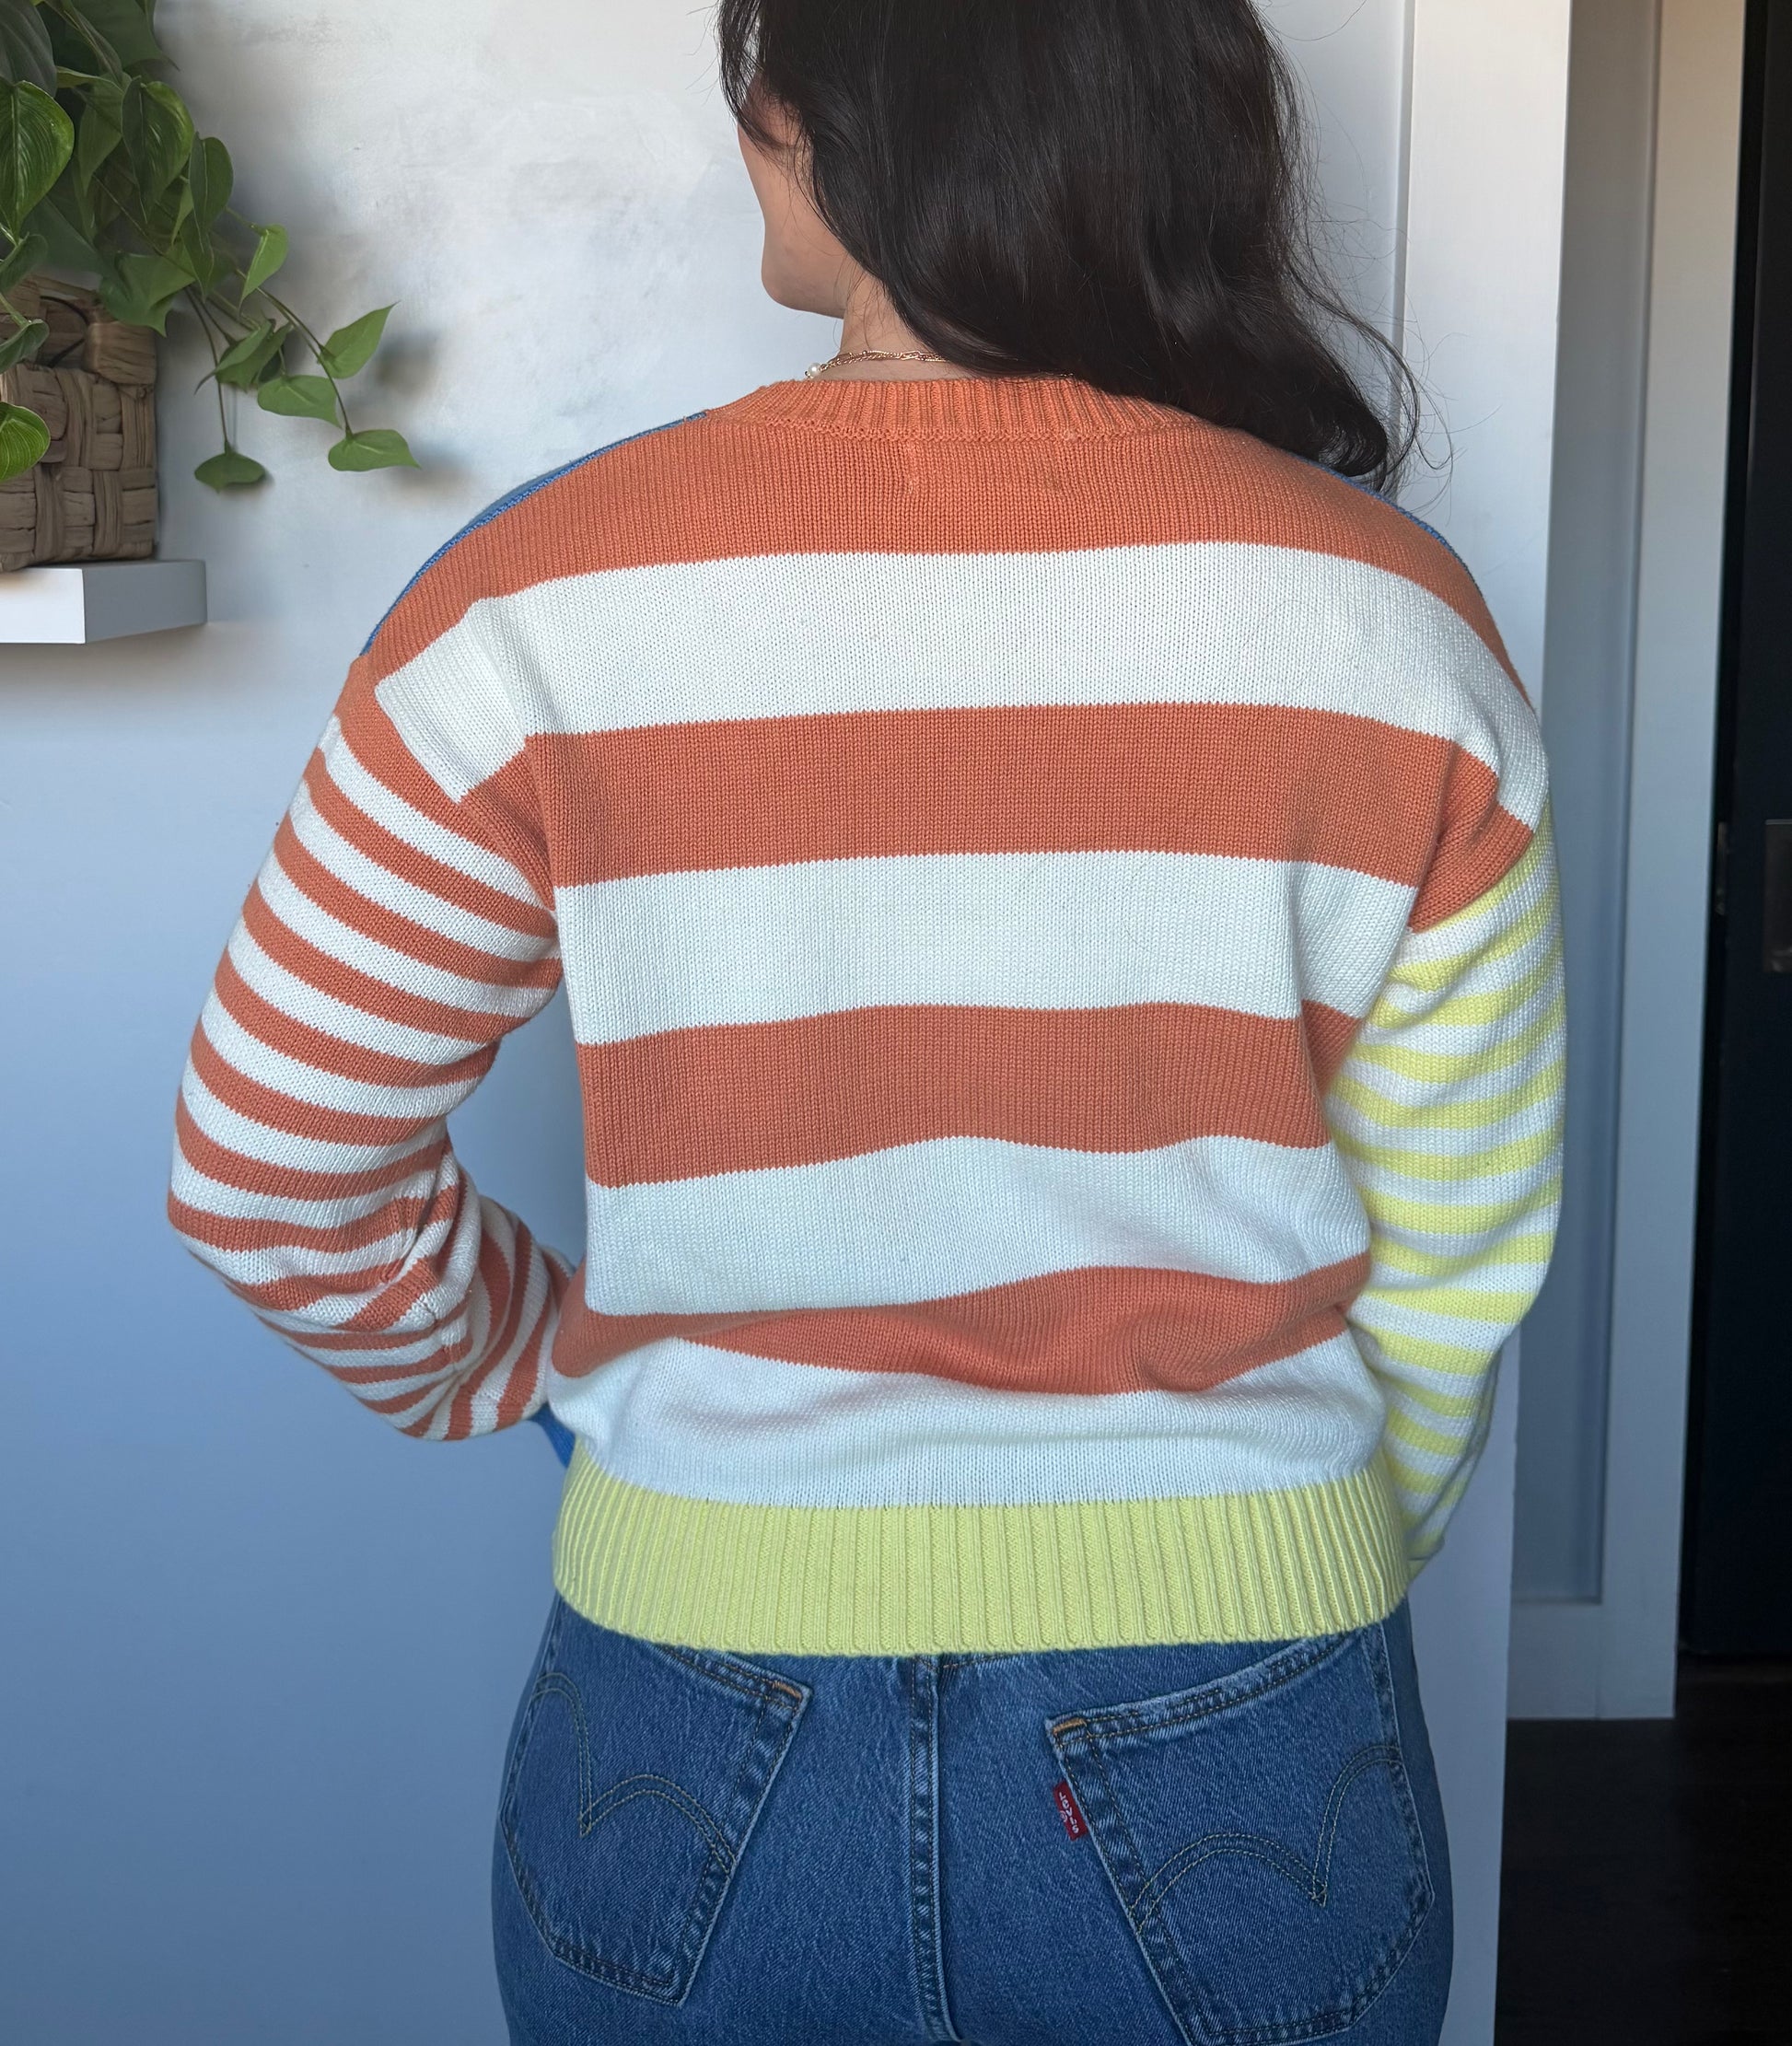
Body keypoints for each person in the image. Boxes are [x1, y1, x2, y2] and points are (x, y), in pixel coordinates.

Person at [168, 0, 1563, 2039]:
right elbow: (1454, 1255)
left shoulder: (531, 602)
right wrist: (1286, 1535)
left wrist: (561, 1372)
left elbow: (269, 1173)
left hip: (693, 1690)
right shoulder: (1392, 623)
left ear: (824, 117)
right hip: (1242, 1702)